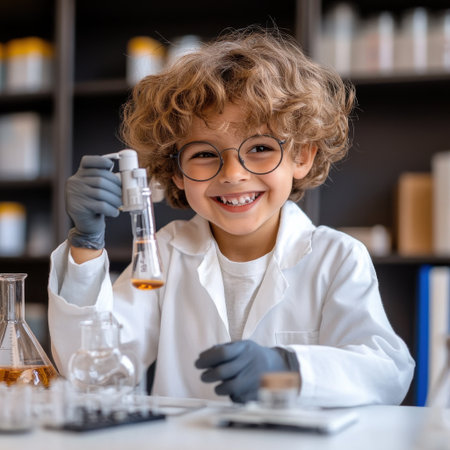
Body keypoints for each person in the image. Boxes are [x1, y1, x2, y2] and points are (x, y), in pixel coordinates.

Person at [48, 27, 414, 406]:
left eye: (259, 147)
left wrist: (288, 367)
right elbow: (89, 371)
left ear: (302, 155)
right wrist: (86, 246)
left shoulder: (336, 257)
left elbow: (386, 373)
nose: (233, 174)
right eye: (204, 154)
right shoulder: (165, 255)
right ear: (174, 170)